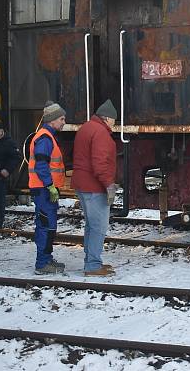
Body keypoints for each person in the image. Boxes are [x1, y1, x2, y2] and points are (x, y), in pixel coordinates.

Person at [72, 99, 119, 276]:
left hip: (82, 184)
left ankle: (91, 262)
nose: (114, 124)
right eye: (114, 120)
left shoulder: (86, 127)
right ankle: (92, 265)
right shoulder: (100, 132)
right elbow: (100, 163)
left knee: (91, 225)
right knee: (99, 226)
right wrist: (109, 184)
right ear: (106, 118)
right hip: (94, 186)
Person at [27, 101, 67, 275]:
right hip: (44, 190)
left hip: (46, 189)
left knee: (48, 225)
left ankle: (46, 259)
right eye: (62, 119)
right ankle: (42, 264)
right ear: (52, 120)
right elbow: (41, 165)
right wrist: (50, 186)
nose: (64, 122)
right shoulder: (44, 138)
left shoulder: (47, 137)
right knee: (45, 226)